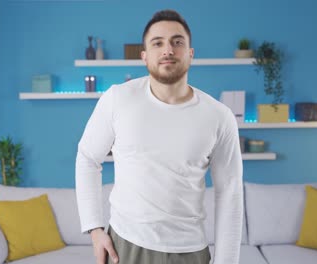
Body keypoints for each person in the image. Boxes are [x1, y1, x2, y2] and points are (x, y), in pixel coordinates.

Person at [76, 9, 243, 264]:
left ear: (190, 53)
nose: (168, 50)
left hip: (190, 251)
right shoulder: (117, 98)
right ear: (144, 56)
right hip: (125, 246)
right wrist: (95, 229)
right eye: (158, 43)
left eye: (177, 42)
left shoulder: (219, 116)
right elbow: (88, 157)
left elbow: (230, 191)